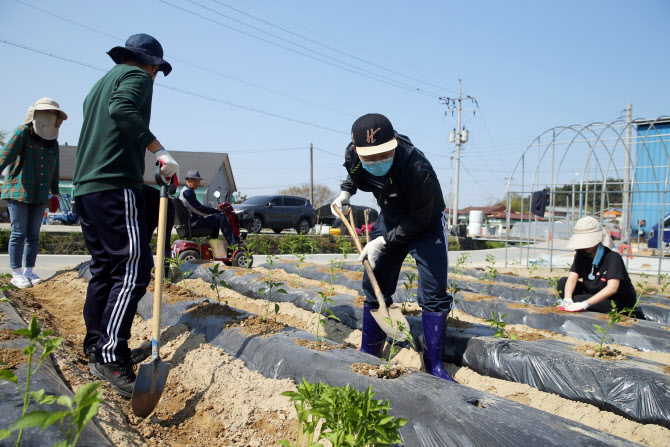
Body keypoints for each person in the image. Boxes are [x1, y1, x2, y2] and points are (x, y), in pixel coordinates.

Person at [73, 33, 179, 398]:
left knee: (105, 267)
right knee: (133, 267)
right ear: (152, 65)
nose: (154, 76)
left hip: (88, 189)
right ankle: (111, 354)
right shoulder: (135, 77)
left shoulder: (100, 84)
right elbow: (123, 110)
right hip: (114, 185)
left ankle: (95, 344)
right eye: (156, 71)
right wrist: (158, 150)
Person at [330, 113, 456, 383]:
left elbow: (420, 218)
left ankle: (434, 366)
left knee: (434, 292)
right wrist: (346, 193)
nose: (377, 161)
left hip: (426, 222)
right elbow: (353, 173)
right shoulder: (354, 155)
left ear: (394, 144)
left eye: (384, 154)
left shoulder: (416, 166)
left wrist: (384, 241)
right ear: (356, 149)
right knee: (375, 281)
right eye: (369, 157)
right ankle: (370, 351)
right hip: (390, 216)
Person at [0, 98, 67, 288]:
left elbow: (54, 169)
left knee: (33, 234)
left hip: (39, 193)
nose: (51, 117)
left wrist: (55, 194)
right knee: (19, 232)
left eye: (54, 114)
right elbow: (4, 156)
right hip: (19, 191)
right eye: (48, 112)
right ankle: (16, 273)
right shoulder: (22, 133)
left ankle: (29, 270)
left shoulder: (52, 142)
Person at [556, 216, 643, 318]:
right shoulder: (581, 254)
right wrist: (567, 300)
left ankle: (633, 313)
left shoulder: (612, 256)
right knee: (562, 283)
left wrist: (584, 304)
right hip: (593, 292)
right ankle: (582, 301)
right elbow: (572, 278)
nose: (585, 246)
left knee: (578, 299)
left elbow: (612, 288)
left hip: (615, 300)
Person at [179, 170, 238, 246]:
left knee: (215, 219)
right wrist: (215, 210)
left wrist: (213, 211)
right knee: (221, 217)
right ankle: (233, 243)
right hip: (194, 222)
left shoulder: (185, 191)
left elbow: (197, 209)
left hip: (191, 221)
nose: (198, 183)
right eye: (196, 181)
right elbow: (198, 209)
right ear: (189, 180)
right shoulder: (187, 192)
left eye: (198, 181)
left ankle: (213, 244)